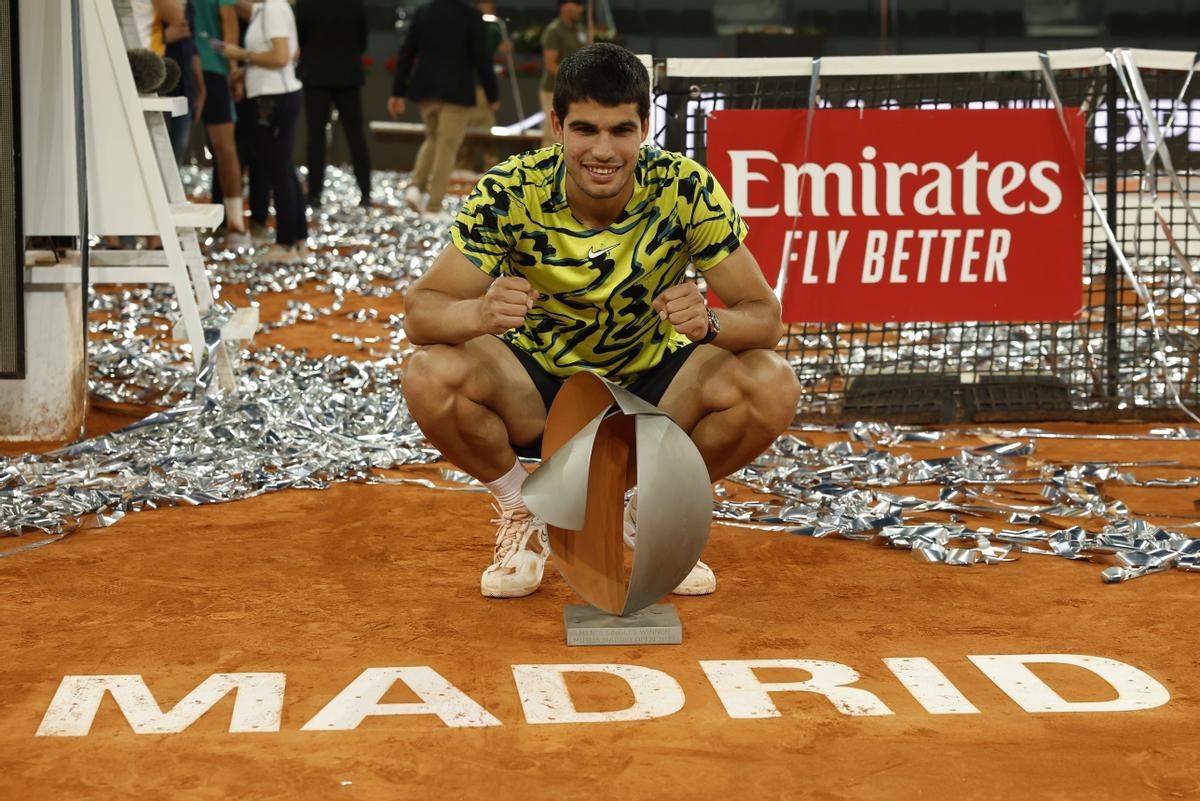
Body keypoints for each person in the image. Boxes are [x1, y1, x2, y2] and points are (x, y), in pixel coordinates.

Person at [401, 43, 801, 599]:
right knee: (428, 373)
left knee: (771, 384)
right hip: (537, 390)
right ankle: (526, 511)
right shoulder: (510, 191)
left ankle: (652, 510)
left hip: (654, 394)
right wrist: (479, 311)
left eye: (621, 130)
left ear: (644, 130)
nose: (604, 151)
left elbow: (766, 319)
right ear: (558, 127)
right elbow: (421, 312)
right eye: (586, 129)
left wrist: (710, 323)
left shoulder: (686, 189)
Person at [387, 0, 499, 219]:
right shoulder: (470, 15)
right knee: (447, 146)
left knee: (432, 139)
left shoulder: (423, 12)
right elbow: (482, 57)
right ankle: (434, 207)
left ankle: (416, 187)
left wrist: (397, 91)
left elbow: (407, 52)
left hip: (426, 88)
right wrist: (492, 93)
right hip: (457, 91)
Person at [222, 0, 308, 263]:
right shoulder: (267, 10)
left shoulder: (273, 8)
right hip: (272, 95)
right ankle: (296, 239)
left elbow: (282, 56)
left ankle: (286, 243)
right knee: (282, 169)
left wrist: (243, 56)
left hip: (276, 98)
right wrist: (248, 70)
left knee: (279, 170)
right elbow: (288, 54)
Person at [294, 0, 373, 208]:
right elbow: (363, 40)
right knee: (356, 136)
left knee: (316, 137)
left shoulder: (306, 4)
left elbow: (299, 38)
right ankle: (365, 193)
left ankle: (314, 194)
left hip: (315, 76)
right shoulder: (354, 4)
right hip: (348, 75)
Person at [194, 0, 251, 247]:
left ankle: (157, 233)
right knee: (226, 148)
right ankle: (236, 227)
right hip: (212, 67)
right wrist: (233, 68)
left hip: (185, 63)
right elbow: (228, 18)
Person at [538, 0, 585, 147]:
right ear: (565, 6)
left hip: (576, 90)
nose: (581, 9)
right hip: (553, 90)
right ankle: (547, 166)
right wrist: (572, 79)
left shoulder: (579, 29)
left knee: (573, 131)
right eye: (577, 4)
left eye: (582, 5)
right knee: (552, 132)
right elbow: (550, 63)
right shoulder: (555, 30)